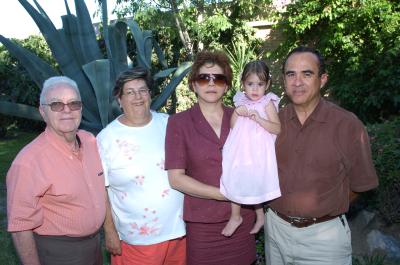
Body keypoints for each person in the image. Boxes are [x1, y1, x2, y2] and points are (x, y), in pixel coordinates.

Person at [265, 46, 379, 265]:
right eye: (291, 74)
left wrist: (325, 207)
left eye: (307, 74)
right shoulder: (272, 123)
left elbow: (361, 184)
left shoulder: (347, 125)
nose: (297, 82)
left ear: (323, 79)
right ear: (284, 80)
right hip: (275, 232)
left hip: (323, 241)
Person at [165, 50, 256, 265]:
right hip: (203, 226)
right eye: (204, 78)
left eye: (219, 78)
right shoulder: (179, 123)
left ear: (226, 85)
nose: (211, 84)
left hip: (242, 220)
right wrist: (223, 194)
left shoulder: (242, 117)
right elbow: (176, 178)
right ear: (194, 84)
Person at [6, 76, 106, 265]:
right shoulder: (28, 162)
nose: (67, 110)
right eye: (57, 105)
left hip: (94, 247)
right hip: (58, 253)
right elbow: (20, 227)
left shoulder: (90, 141)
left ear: (81, 108)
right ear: (43, 112)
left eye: (74, 103)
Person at [97, 67, 186, 265]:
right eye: (129, 92)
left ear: (149, 94)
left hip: (179, 232)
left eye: (142, 90)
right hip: (135, 240)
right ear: (119, 99)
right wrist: (110, 231)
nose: (137, 96)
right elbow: (100, 190)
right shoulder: (106, 139)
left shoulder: (170, 125)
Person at [220, 60, 281, 237]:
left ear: (267, 85)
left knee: (254, 183)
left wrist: (259, 119)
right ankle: (237, 216)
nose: (255, 89)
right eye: (250, 84)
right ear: (243, 84)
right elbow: (232, 126)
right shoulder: (240, 100)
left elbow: (277, 128)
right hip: (240, 151)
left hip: (258, 153)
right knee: (236, 177)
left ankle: (255, 215)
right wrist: (237, 112)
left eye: (260, 84)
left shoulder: (267, 103)